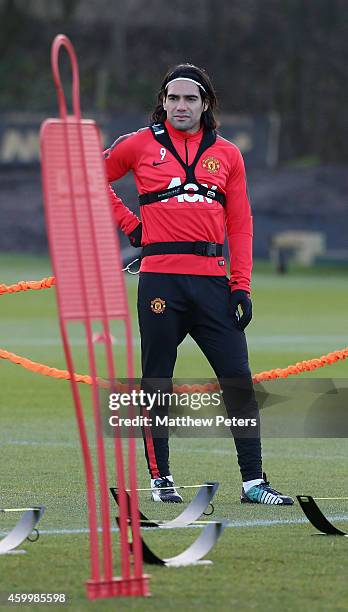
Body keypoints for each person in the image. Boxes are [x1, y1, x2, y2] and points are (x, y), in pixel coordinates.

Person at [104, 63, 294, 506]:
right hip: (159, 284)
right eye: (173, 98)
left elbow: (240, 223)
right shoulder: (136, 144)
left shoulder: (228, 154)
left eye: (190, 98)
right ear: (163, 102)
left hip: (213, 284)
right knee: (157, 381)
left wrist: (241, 285)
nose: (181, 106)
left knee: (239, 381)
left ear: (206, 104)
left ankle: (253, 483)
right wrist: (132, 227)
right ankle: (161, 480)